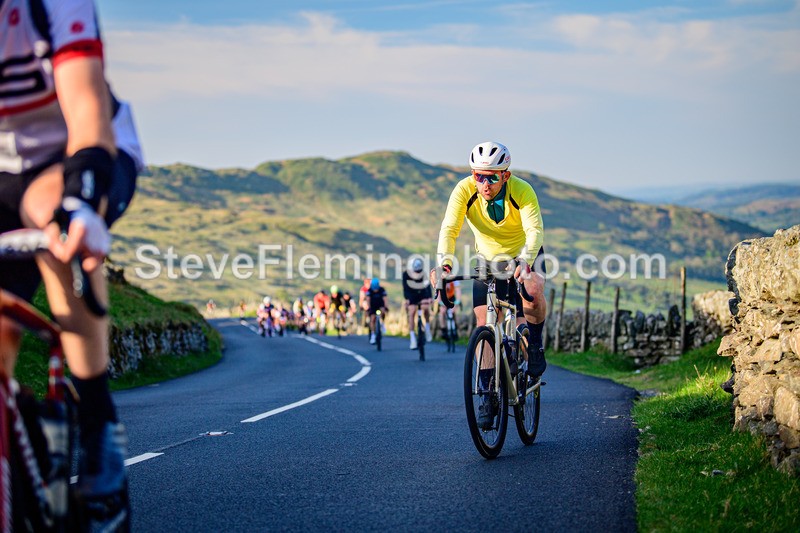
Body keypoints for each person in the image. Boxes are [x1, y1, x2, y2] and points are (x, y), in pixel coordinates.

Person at [0, 0, 144, 528]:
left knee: (56, 227)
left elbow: (86, 109)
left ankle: (98, 424)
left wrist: (79, 202)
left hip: (77, 155)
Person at [433, 141, 547, 425]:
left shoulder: (522, 191)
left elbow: (535, 230)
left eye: (492, 177)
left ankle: (534, 345)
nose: (484, 183)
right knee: (485, 322)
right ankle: (486, 392)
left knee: (532, 289)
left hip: (524, 253)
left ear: (505, 175)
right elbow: (450, 228)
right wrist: (444, 264)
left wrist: (525, 261)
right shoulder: (464, 190)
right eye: (478, 176)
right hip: (488, 259)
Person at [402, 258, 433, 349]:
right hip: (411, 295)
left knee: (426, 308)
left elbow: (427, 286)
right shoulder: (406, 275)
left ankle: (427, 328)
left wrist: (429, 298)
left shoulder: (423, 273)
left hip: (422, 293)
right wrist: (407, 299)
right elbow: (405, 288)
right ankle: (412, 339)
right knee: (412, 312)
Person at [366, 277, 387, 345]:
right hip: (373, 306)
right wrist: (369, 308)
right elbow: (368, 300)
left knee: (383, 312)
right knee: (372, 319)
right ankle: (373, 335)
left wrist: (385, 306)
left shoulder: (382, 290)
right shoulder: (369, 291)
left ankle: (382, 323)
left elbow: (385, 299)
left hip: (380, 305)